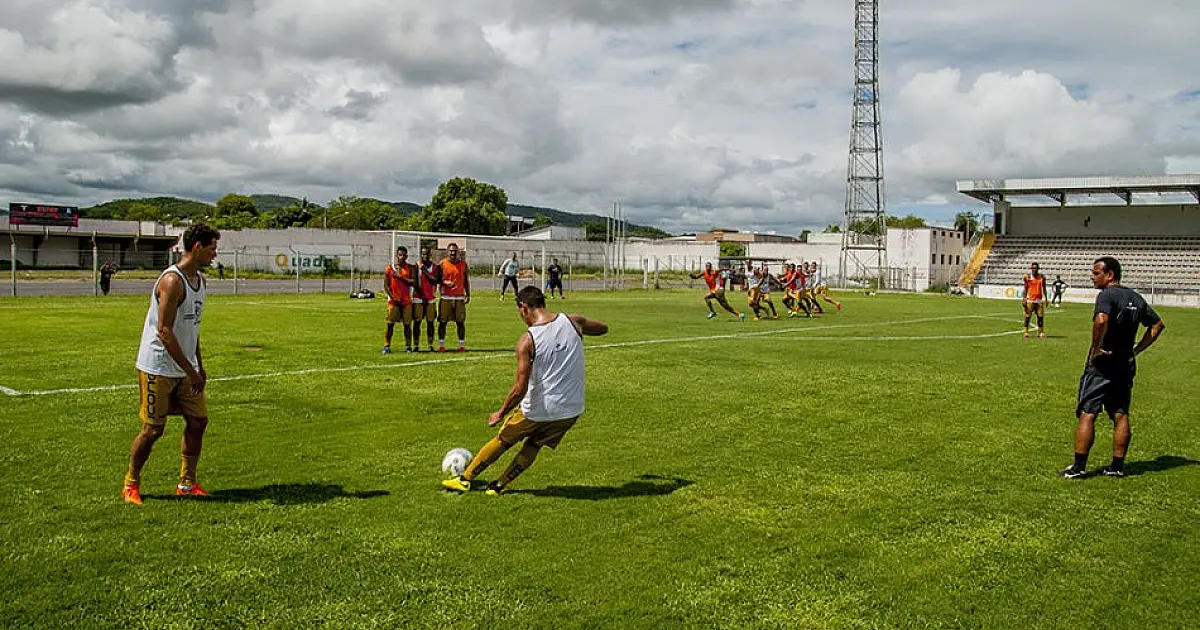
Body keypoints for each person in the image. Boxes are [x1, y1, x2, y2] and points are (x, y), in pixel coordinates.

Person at [442, 286, 608, 495]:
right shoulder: (573, 321)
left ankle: (464, 479)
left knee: (503, 440)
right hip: (571, 409)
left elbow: (520, 388)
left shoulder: (527, 340)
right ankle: (498, 486)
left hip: (538, 409)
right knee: (534, 445)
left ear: (523, 307)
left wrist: (500, 413)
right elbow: (603, 328)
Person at [122, 224, 220, 505]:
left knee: (198, 422)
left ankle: (187, 484)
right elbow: (164, 331)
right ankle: (131, 484)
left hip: (186, 368)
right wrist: (191, 371)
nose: (215, 254)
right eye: (212, 247)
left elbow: (193, 329)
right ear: (197, 247)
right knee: (153, 429)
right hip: (158, 366)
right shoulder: (172, 281)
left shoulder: (200, 282)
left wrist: (199, 366)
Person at [1059, 257, 1165, 479]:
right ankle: (1117, 467)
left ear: (1110, 275)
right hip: (1125, 364)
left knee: (1088, 412)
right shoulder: (1135, 297)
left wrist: (1096, 348)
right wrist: (1136, 350)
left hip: (1103, 364)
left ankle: (1078, 467)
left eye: (1096, 272)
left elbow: (1100, 320)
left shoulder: (1106, 295)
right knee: (1120, 414)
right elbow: (1157, 325)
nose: (1092, 276)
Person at [382, 247, 416, 354]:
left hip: (406, 301)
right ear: (397, 255)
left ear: (406, 256)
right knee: (390, 324)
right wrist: (393, 297)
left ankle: (408, 346)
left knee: (407, 325)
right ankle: (386, 345)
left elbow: (413, 282)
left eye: (404, 255)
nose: (402, 257)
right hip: (394, 301)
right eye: (400, 255)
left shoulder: (410, 268)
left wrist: (400, 277)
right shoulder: (390, 268)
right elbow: (386, 286)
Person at [437, 243, 470, 352]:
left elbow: (465, 280)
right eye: (451, 251)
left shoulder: (463, 264)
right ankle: (441, 345)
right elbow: (437, 279)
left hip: (459, 297)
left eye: (455, 251)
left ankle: (461, 345)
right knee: (443, 322)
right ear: (447, 252)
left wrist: (468, 294)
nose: (453, 253)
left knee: (460, 322)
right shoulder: (442, 264)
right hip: (446, 297)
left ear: (458, 252)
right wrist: (444, 282)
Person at [412, 248, 439, 352]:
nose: (425, 256)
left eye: (427, 254)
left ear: (430, 254)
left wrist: (423, 268)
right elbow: (415, 283)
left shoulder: (435, 267)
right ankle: (416, 345)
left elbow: (434, 281)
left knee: (430, 322)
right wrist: (422, 297)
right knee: (417, 322)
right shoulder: (416, 266)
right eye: (423, 254)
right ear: (420, 254)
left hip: (430, 299)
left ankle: (430, 344)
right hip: (418, 298)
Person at [1022, 262, 1048, 339]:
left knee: (1040, 317)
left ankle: (1040, 332)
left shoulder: (1042, 277)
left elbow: (1044, 288)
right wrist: (1024, 298)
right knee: (1027, 317)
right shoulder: (1027, 277)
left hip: (1039, 300)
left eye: (1035, 268)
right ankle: (1026, 332)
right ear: (1031, 269)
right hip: (1030, 300)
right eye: (1033, 268)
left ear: (1038, 269)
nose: (1034, 269)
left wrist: (1046, 299)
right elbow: (1025, 288)